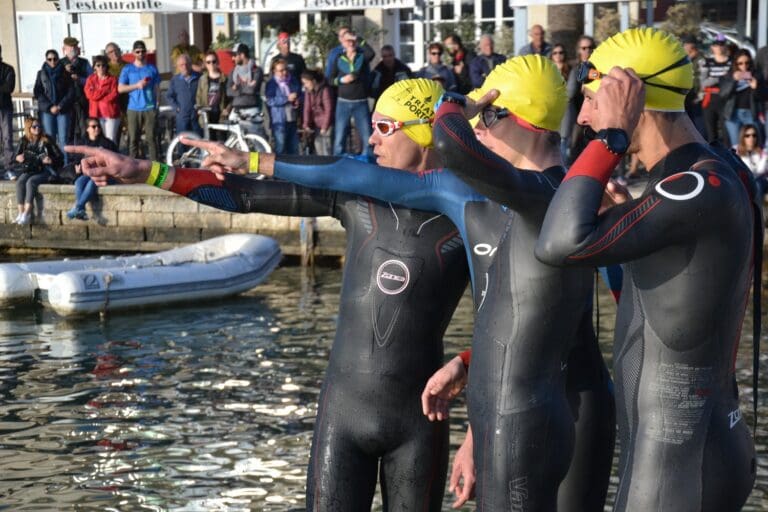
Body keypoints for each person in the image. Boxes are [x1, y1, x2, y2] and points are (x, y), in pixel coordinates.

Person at [189, 74, 616, 511]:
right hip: (456, 410)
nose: (480, 128)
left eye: (385, 127)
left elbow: (542, 321)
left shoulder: (491, 202)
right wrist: (150, 170)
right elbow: (315, 178)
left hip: (521, 412)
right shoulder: (443, 198)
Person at [68, 82, 471, 511]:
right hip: (343, 415)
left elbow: (507, 317)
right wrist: (142, 170)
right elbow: (246, 194)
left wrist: (466, 372)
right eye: (371, 126)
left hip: (421, 420)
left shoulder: (468, 214)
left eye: (384, 127)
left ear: (426, 132)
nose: (371, 138)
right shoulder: (356, 194)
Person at [536, 27, 759, 512]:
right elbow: (668, 305)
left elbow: (557, 244)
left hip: (679, 467)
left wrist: (612, 138)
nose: (588, 115)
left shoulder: (703, 184)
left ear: (635, 98)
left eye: (597, 100)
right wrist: (628, 238)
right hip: (684, 454)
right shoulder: (705, 175)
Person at [329, 30, 373, 157]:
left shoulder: (362, 57)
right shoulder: (339, 58)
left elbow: (371, 52)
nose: (351, 43)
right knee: (340, 135)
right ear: (343, 43)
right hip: (343, 102)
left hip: (360, 102)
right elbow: (330, 80)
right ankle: (338, 161)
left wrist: (357, 37)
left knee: (367, 136)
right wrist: (342, 80)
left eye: (353, 41)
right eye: (348, 41)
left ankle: (368, 161)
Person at [13, 117, 63, 224]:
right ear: (28, 128)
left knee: (31, 182)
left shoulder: (47, 139)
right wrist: (18, 158)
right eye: (34, 126)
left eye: (39, 126)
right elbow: (14, 157)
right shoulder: (24, 140)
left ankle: (27, 214)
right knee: (20, 182)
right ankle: (21, 213)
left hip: (45, 170)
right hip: (30, 169)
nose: (37, 128)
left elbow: (60, 158)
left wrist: (51, 160)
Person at [67, 117, 118, 220]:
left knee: (92, 182)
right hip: (88, 173)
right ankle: (81, 210)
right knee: (79, 182)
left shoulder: (107, 143)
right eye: (93, 126)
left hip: (104, 174)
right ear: (87, 129)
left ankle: (78, 207)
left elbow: (115, 159)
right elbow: (76, 159)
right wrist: (78, 166)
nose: (96, 129)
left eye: (98, 126)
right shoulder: (83, 143)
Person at [118, 40, 160, 160]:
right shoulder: (128, 69)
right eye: (138, 51)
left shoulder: (152, 68)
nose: (141, 53)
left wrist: (157, 104)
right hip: (133, 108)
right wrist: (136, 85)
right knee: (133, 139)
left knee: (151, 139)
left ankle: (155, 167)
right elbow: (120, 89)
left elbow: (157, 88)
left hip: (149, 107)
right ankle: (133, 166)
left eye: (143, 51)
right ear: (133, 52)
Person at [720, 49, 767, 147]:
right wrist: (734, 81)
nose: (744, 66)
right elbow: (723, 94)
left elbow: (764, 96)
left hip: (751, 113)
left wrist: (756, 87)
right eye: (740, 63)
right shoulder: (729, 75)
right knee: (736, 146)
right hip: (733, 114)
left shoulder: (756, 75)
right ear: (735, 64)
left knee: (754, 145)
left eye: (747, 63)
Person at [34, 49, 74, 162]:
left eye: (55, 59)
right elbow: (38, 92)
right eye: (49, 59)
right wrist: (49, 106)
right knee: (49, 139)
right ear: (46, 60)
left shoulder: (65, 73)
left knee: (63, 139)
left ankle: (65, 166)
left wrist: (60, 106)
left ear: (58, 59)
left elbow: (71, 92)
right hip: (47, 111)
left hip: (63, 110)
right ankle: (52, 166)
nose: (52, 61)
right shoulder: (41, 73)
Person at [565, 35, 595, 163]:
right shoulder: (576, 69)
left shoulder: (600, 68)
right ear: (578, 50)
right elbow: (570, 93)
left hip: (597, 114)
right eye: (584, 48)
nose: (587, 51)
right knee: (575, 147)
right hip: (579, 114)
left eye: (590, 48)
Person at [700, 34, 732, 144]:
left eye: (722, 44)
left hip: (727, 99)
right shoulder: (707, 62)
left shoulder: (731, 62)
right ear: (712, 47)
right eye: (717, 45)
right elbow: (703, 83)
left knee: (726, 132)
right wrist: (720, 78)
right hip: (710, 99)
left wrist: (715, 78)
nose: (719, 47)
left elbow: (733, 79)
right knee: (711, 132)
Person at [265, 59, 300, 154]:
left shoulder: (293, 80)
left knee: (294, 148)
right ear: (274, 71)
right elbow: (270, 101)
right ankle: (278, 168)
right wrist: (286, 99)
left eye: (286, 70)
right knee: (280, 148)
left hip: (292, 119)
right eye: (281, 71)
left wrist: (297, 100)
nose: (284, 73)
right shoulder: (272, 84)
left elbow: (300, 94)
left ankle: (292, 168)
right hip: (279, 121)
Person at [227, 43, 264, 136]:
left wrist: (237, 87)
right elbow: (228, 91)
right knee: (235, 142)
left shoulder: (256, 70)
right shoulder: (233, 72)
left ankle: (253, 152)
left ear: (242, 55)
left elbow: (252, 90)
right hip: (236, 111)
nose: (233, 58)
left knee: (255, 142)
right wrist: (245, 87)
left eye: (235, 55)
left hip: (252, 111)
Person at [61, 37, 92, 145]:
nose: (73, 49)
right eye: (70, 47)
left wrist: (80, 79)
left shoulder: (85, 62)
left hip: (82, 100)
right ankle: (69, 156)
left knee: (85, 129)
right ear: (64, 49)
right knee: (68, 130)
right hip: (66, 102)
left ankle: (85, 154)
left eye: (75, 46)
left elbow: (92, 80)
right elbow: (55, 83)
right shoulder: (60, 63)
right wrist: (64, 72)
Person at [84, 55, 120, 144]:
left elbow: (114, 95)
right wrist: (104, 91)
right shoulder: (90, 79)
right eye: (98, 65)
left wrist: (98, 96)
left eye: (103, 65)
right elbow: (89, 95)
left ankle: (112, 157)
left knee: (110, 139)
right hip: (96, 114)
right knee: (97, 139)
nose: (101, 67)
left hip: (110, 114)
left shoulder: (113, 79)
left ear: (106, 66)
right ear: (94, 67)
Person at [196, 51, 228, 141]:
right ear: (205, 64)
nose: (211, 64)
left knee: (222, 141)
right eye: (208, 62)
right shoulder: (202, 79)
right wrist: (199, 109)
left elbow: (230, 98)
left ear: (217, 62)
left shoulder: (224, 78)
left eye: (213, 61)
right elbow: (198, 96)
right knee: (210, 141)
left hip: (220, 113)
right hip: (207, 114)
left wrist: (227, 109)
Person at [166, 54, 201, 136]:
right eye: (181, 65)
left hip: (196, 115)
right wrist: (176, 108)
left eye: (186, 64)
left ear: (190, 64)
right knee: (183, 141)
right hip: (182, 115)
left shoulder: (199, 77)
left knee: (199, 140)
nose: (184, 67)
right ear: (178, 67)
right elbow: (169, 96)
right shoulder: (175, 80)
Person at [301, 70, 334, 155]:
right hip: (316, 124)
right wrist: (306, 124)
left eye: (306, 83)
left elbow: (328, 109)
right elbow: (307, 108)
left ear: (313, 81)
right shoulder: (308, 92)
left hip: (327, 124)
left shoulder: (325, 90)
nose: (305, 86)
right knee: (318, 148)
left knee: (327, 149)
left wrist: (325, 127)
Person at [681, 35, 707, 137]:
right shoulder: (683, 59)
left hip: (697, 97)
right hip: (685, 96)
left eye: (686, 46)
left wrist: (700, 96)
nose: (685, 48)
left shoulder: (701, 59)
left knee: (698, 123)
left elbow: (702, 78)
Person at [551, 43, 572, 162]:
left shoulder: (570, 70)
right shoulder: (548, 70)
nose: (558, 55)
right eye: (555, 53)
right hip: (551, 109)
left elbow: (570, 91)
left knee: (564, 141)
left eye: (561, 52)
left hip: (566, 109)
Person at [734, 123, 768, 196]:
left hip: (760, 181)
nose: (751, 138)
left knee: (757, 184)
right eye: (747, 136)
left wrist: (764, 157)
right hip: (742, 182)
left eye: (754, 135)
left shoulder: (761, 152)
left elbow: (760, 171)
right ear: (742, 137)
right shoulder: (735, 151)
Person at [0, 44, 16, 168]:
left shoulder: (8, 69)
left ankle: (9, 166)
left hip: (5, 107)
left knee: (7, 138)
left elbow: (8, 87)